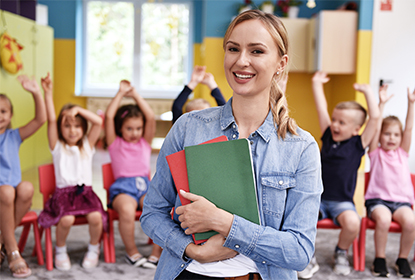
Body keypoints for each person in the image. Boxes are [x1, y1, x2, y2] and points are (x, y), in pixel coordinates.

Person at [141, 10, 323, 280]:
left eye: (257, 51)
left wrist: (223, 223)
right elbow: (152, 213)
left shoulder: (301, 147)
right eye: (233, 49)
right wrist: (193, 250)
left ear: (281, 63)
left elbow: (299, 251)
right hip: (185, 271)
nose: (241, 61)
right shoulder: (188, 127)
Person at [299, 71, 380, 278]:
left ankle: (341, 252)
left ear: (356, 129)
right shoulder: (327, 135)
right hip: (317, 196)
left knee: (353, 223)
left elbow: (376, 117)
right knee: (300, 217)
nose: (335, 125)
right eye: (334, 120)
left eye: (341, 123)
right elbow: (321, 108)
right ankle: (307, 255)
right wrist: (316, 84)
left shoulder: (358, 144)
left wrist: (368, 92)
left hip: (342, 202)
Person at [37, 73, 107, 271]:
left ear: (83, 128)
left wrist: (78, 110)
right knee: (66, 219)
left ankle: (94, 249)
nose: (72, 130)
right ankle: (60, 250)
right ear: (60, 128)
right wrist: (48, 92)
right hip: (63, 195)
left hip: (85, 193)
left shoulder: (87, 145)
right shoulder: (57, 146)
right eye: (67, 125)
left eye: (77, 126)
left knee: (96, 218)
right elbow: (51, 119)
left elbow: (98, 122)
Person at [104, 80, 162, 268]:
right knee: (127, 211)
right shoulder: (115, 143)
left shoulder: (144, 143)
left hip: (145, 186)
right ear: (121, 127)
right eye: (129, 128)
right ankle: (132, 252)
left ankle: (156, 253)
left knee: (158, 207)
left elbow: (150, 117)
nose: (135, 132)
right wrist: (121, 93)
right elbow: (109, 116)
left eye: (138, 128)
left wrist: (136, 94)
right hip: (123, 189)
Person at [364, 85, 415, 278]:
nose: (391, 138)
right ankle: (380, 258)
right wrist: (381, 103)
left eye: (396, 135)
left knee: (411, 222)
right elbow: (375, 126)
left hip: (401, 202)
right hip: (378, 201)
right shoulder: (375, 153)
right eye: (387, 134)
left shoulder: (402, 153)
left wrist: (411, 104)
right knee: (384, 220)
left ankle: (402, 259)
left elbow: (409, 128)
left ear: (401, 138)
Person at [0, 76, 46, 278]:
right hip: (4, 193)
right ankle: (12, 251)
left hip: (11, 194)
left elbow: (40, 120)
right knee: (7, 191)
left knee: (26, 187)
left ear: (10, 115)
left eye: (3, 111)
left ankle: (2, 241)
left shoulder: (14, 136)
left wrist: (37, 92)